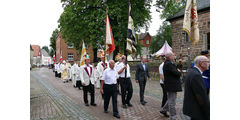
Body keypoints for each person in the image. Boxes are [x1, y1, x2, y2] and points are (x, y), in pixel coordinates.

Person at [183, 56, 210, 120]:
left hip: (193, 108)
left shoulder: (192, 71)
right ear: (201, 63)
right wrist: (207, 111)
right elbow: (200, 96)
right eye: (208, 62)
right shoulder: (196, 75)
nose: (209, 64)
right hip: (197, 110)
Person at [160, 52, 182, 120]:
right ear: (169, 57)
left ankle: (163, 110)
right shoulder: (168, 64)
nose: (174, 56)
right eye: (173, 55)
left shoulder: (169, 63)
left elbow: (174, 70)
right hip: (172, 85)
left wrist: (178, 65)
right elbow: (176, 73)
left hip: (171, 85)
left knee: (170, 99)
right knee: (172, 102)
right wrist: (179, 72)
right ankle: (173, 117)